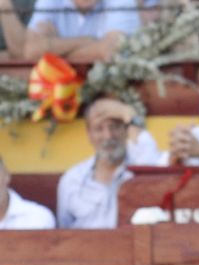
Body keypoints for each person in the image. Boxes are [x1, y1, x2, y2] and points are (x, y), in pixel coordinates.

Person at [57, 94, 163, 229]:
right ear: (89, 135)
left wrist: (128, 113)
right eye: (99, 129)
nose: (108, 136)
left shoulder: (140, 167)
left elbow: (154, 168)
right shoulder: (72, 180)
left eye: (114, 127)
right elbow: (64, 232)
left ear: (126, 130)